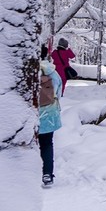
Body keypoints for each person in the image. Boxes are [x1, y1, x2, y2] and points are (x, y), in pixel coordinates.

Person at [38, 46, 63, 188]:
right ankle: (47, 174)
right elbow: (58, 91)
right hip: (48, 114)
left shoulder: (26, 69)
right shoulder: (52, 72)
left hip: (29, 113)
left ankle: (27, 172)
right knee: (47, 144)